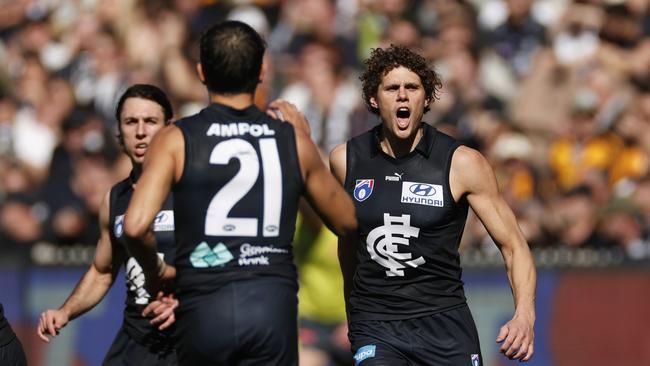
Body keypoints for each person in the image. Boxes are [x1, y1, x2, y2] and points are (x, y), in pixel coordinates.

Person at [122, 21, 357, 365]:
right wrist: (304, 140)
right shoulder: (291, 140)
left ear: (201, 73)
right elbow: (348, 221)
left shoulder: (175, 139)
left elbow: (134, 226)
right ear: (262, 71)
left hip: (203, 306)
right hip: (271, 308)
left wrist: (159, 274)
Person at [329, 45, 537, 365]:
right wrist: (352, 309)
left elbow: (514, 246)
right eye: (392, 88)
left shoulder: (462, 163)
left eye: (411, 88)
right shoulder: (346, 160)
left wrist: (524, 316)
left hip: (444, 325)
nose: (402, 96)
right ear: (374, 99)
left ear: (425, 99)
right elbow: (348, 243)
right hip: (377, 324)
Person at [37, 84, 179, 365]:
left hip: (186, 338)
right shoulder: (115, 199)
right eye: (131, 122)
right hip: (135, 340)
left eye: (150, 121)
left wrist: (186, 300)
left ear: (169, 130)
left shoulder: (192, 191)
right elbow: (103, 271)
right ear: (119, 133)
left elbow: (225, 261)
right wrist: (65, 312)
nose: (140, 132)